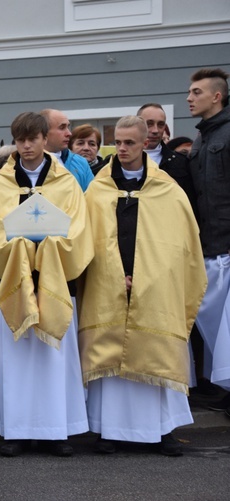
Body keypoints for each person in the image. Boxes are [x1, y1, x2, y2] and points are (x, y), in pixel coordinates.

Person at [79, 115, 207, 456]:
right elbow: (89, 239)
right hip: (109, 283)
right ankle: (108, 430)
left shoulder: (167, 189)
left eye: (129, 143)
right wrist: (115, 275)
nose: (122, 149)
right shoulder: (98, 187)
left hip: (154, 285)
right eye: (117, 142)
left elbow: (179, 245)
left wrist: (147, 275)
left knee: (155, 353)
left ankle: (161, 431)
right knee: (111, 357)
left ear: (146, 142)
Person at [0, 112, 93, 457]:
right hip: (15, 278)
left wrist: (50, 245)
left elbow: (79, 229)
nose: (26, 146)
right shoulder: (1, 183)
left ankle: (57, 431)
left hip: (53, 279)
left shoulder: (66, 182)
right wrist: (21, 245)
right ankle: (15, 430)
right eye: (20, 140)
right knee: (15, 361)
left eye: (33, 139)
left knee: (53, 359)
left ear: (45, 139)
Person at [187, 68, 230, 416]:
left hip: (227, 245)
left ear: (217, 96)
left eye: (196, 92)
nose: (189, 97)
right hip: (209, 247)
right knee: (216, 325)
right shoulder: (201, 139)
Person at [136, 104, 195, 208]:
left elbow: (190, 204)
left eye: (160, 124)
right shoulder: (118, 162)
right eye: (149, 124)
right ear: (137, 125)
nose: (155, 130)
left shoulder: (181, 162)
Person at [40, 109, 94, 191]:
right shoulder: (28, 164)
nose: (69, 133)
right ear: (44, 132)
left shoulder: (80, 163)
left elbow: (91, 198)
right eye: (62, 128)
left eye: (68, 127)